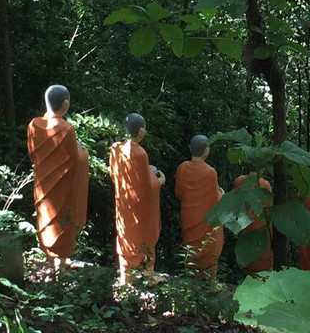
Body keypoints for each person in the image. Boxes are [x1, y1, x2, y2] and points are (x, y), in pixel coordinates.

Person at [27, 84, 89, 272]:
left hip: (43, 183)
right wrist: (84, 153)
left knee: (46, 218)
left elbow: (33, 154)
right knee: (61, 220)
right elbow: (74, 159)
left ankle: (49, 260)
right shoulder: (66, 129)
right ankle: (60, 266)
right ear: (65, 104)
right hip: (62, 186)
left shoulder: (34, 125)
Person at [109, 113, 164, 284]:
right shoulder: (140, 153)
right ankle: (148, 274)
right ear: (141, 131)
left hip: (124, 201)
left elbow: (114, 174)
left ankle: (126, 275)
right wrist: (160, 180)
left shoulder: (115, 149)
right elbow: (148, 185)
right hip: (140, 206)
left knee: (126, 234)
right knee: (145, 235)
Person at [175, 134, 224, 279]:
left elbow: (178, 193)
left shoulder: (182, 168)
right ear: (206, 150)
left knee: (191, 249)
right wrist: (221, 193)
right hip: (206, 219)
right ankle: (209, 282)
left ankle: (190, 281)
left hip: (189, 216)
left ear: (191, 149)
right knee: (208, 249)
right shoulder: (210, 172)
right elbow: (216, 200)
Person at [233, 170, 273, 275]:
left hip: (245, 228)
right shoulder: (264, 185)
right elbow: (269, 211)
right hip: (260, 230)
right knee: (262, 265)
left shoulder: (239, 181)